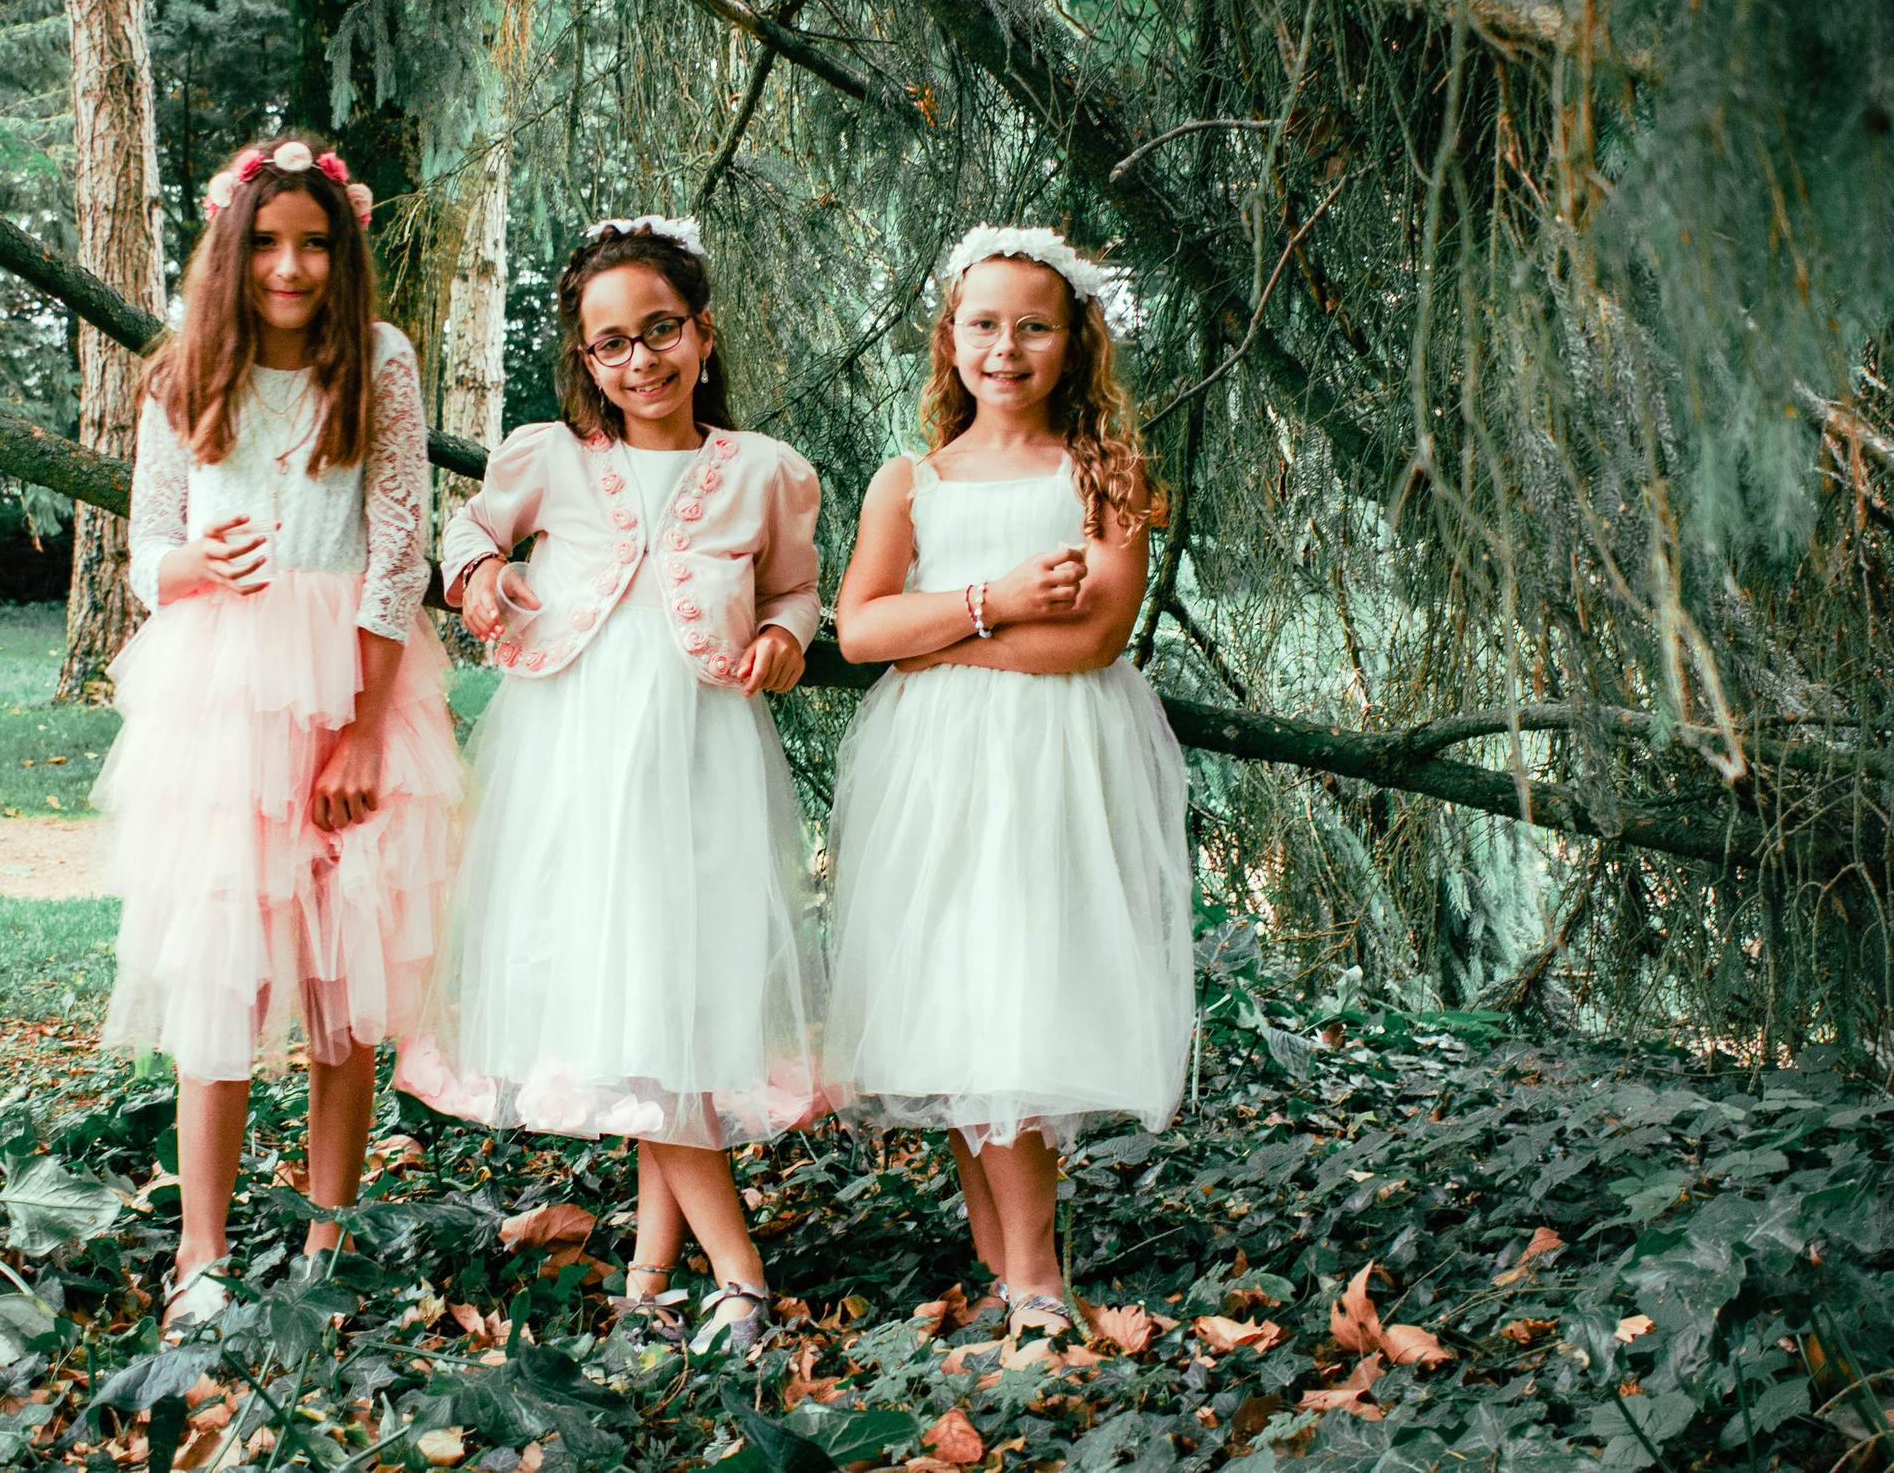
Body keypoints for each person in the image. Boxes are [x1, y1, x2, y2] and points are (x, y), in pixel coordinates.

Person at [394, 214, 827, 1354]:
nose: (639, 362)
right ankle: (729, 1271)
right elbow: (465, 538)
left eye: (660, 332)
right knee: (628, 985)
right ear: (582, 359)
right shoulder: (548, 458)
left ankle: (652, 1267)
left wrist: (784, 638)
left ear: (702, 332)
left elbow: (793, 595)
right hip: (576, 763)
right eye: (610, 345)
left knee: (669, 993)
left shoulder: (766, 474)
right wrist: (482, 573)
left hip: (699, 760)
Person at [92, 136, 462, 1331]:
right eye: (265, 243)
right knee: (221, 967)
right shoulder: (186, 372)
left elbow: (399, 546)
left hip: (355, 678)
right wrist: (193, 563)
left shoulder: (382, 361)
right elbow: (148, 551)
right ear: (229, 248)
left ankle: (325, 1242)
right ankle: (202, 1253)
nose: (290, 267)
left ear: (342, 249)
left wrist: (357, 734)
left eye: (313, 243)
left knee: (337, 973)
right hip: (221, 694)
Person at [824, 225, 1193, 1335]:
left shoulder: (1104, 476)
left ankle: (1033, 1276)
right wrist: (994, 602)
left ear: (1073, 343)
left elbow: (1091, 638)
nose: (1006, 346)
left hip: (1056, 761)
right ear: (949, 338)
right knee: (954, 990)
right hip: (933, 772)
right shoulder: (912, 482)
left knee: (1020, 990)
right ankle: (1007, 1265)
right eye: (983, 324)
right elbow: (856, 629)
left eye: (1033, 325)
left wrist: (937, 640)